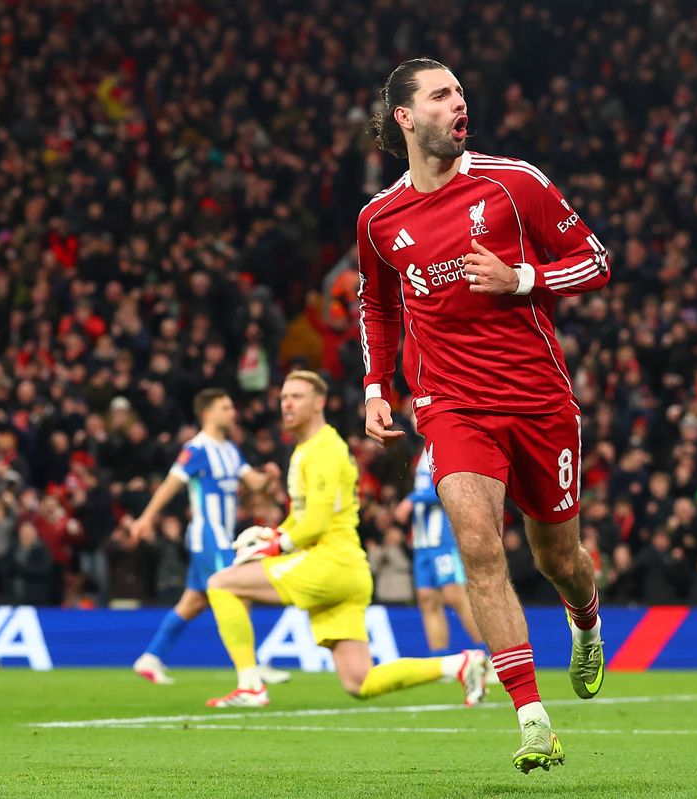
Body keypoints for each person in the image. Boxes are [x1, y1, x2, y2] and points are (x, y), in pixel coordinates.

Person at [359, 58, 608, 772]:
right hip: (450, 404)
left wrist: (521, 277)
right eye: (441, 95)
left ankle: (585, 618)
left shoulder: (513, 182)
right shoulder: (379, 218)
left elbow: (595, 260)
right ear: (406, 117)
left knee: (558, 557)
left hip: (537, 398)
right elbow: (377, 303)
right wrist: (378, 383)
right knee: (477, 541)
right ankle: (532, 718)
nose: (458, 103)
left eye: (461, 92)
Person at [204, 371, 487, 707]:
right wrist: (275, 532)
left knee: (222, 584)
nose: (287, 404)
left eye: (297, 396)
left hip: (328, 563)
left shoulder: (323, 448)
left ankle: (251, 685)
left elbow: (317, 521)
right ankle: (459, 664)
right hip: (346, 569)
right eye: (283, 398)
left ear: (319, 402)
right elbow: (303, 516)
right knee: (360, 681)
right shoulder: (308, 449)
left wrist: (276, 545)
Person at [129, 389, 286, 686]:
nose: (232, 413)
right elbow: (169, 486)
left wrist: (270, 477)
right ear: (208, 414)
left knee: (193, 602)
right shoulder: (197, 448)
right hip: (208, 534)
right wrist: (146, 518)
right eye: (226, 407)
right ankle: (251, 666)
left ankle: (150, 658)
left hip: (223, 536)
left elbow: (255, 484)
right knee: (239, 588)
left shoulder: (229, 449)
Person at [394, 446, 485, 655]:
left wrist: (411, 500)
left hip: (443, 539)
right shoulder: (423, 453)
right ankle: (441, 660)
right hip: (422, 542)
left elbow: (450, 485)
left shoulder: (443, 445)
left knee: (455, 595)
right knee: (427, 598)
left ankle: (492, 659)